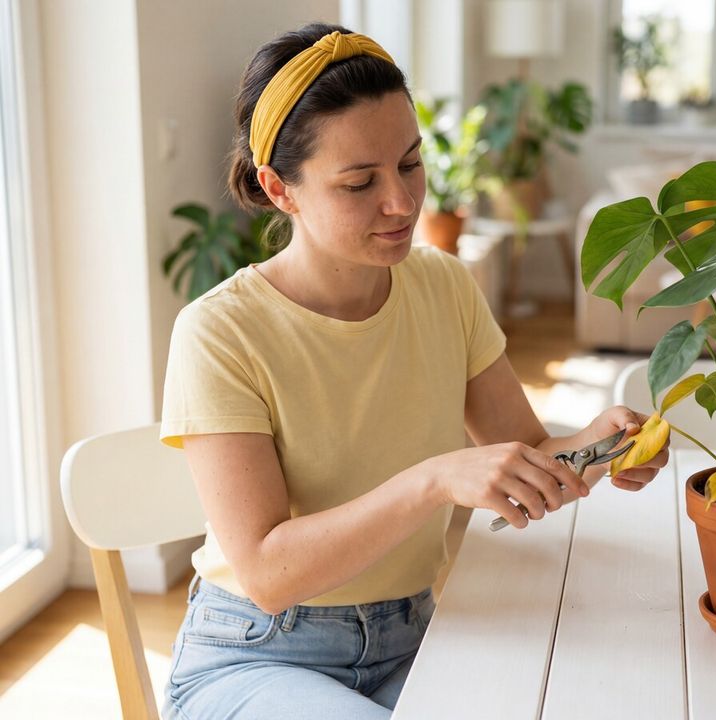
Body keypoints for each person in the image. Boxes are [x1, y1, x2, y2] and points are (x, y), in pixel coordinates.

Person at [159, 23, 668, 719]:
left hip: (415, 636)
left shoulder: (443, 287)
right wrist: (432, 480)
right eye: (360, 182)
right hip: (255, 654)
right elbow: (268, 573)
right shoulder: (220, 332)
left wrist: (601, 447)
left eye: (410, 164)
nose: (401, 203)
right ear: (280, 189)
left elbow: (528, 455)